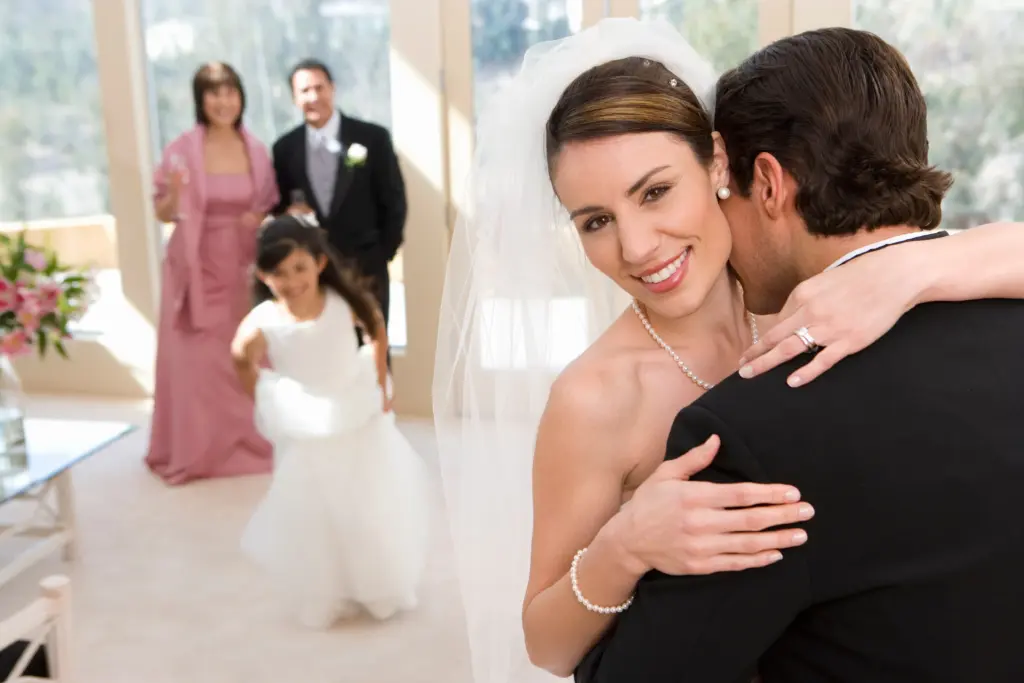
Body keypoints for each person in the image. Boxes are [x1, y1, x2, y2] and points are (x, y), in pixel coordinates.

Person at [432, 18, 1024, 683]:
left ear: (719, 164)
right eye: (595, 221)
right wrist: (623, 546)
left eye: (655, 192)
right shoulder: (596, 395)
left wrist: (909, 271)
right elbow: (544, 643)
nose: (635, 246)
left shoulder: (823, 300)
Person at [230, 215, 429, 629]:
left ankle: (377, 583)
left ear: (319, 263)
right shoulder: (265, 319)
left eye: (299, 268)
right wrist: (265, 396)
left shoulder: (342, 302)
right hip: (303, 421)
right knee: (314, 510)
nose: (291, 281)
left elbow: (375, 326)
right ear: (264, 275)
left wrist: (380, 383)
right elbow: (240, 356)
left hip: (354, 411)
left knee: (363, 504)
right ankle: (326, 588)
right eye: (278, 273)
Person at [146, 62, 277, 485]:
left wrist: (257, 217)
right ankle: (196, 449)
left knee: (244, 354)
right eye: (214, 94)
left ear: (241, 97)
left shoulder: (256, 149)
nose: (223, 102)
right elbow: (162, 211)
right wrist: (179, 192)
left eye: (230, 92)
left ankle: (250, 442)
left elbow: (267, 205)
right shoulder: (182, 148)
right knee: (196, 360)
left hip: (242, 265)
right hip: (194, 267)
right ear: (201, 100)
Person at [270, 58, 406, 334]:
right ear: (295, 98)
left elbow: (394, 203)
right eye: (305, 91)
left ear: (332, 89)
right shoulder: (284, 149)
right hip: (311, 277)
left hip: (365, 269)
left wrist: (380, 255)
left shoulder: (372, 138)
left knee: (372, 355)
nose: (314, 97)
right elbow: (278, 208)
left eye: (319, 88)